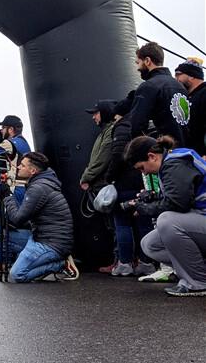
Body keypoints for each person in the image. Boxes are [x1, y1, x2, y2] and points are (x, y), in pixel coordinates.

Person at [125, 135, 206, 297]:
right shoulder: (174, 160)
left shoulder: (174, 164)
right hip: (200, 217)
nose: (145, 173)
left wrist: (144, 208)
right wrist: (154, 197)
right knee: (150, 244)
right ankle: (195, 270)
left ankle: (198, 282)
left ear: (152, 157)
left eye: (142, 167)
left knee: (167, 222)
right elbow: (185, 198)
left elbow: (178, 204)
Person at [1, 152, 79, 282]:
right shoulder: (42, 182)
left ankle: (60, 264)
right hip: (41, 236)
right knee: (2, 233)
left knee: (16, 274)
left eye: (22, 165)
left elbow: (18, 219)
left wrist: (7, 196)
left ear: (33, 170)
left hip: (52, 244)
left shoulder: (38, 188)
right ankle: (30, 261)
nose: (19, 167)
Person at [103, 94, 156, 278]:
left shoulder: (123, 126)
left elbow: (117, 154)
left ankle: (125, 263)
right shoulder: (145, 124)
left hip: (125, 183)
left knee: (122, 223)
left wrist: (108, 178)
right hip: (143, 181)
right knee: (143, 223)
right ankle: (146, 262)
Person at [128, 41, 190, 145]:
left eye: (138, 63)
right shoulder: (181, 87)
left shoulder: (149, 86)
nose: (137, 68)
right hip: (186, 152)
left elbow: (137, 125)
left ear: (147, 61)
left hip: (164, 153)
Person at [0, 115, 32, 205]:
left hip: (15, 188)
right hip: (25, 187)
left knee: (13, 216)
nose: (1, 130)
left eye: (3, 127)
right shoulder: (24, 142)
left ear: (11, 129)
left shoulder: (9, 143)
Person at [80, 100, 115, 194]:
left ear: (104, 113)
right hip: (100, 183)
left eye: (96, 113)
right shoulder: (104, 133)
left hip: (104, 184)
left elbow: (102, 159)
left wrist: (86, 177)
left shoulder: (111, 132)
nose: (93, 117)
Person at [175, 58, 205, 156]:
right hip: (192, 155)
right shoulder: (188, 97)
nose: (176, 79)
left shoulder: (204, 93)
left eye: (178, 74)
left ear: (191, 76)